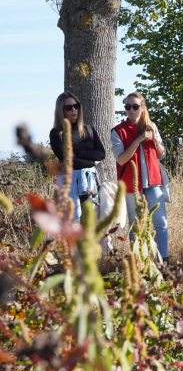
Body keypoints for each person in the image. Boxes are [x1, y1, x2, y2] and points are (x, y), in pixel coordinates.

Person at [111, 92, 169, 262]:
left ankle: (162, 261)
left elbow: (162, 155)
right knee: (136, 227)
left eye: (135, 106)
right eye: (127, 107)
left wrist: (155, 140)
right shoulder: (118, 131)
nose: (131, 110)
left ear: (142, 108)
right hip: (131, 185)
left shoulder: (151, 126)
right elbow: (121, 159)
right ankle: (138, 264)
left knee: (161, 224)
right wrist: (138, 140)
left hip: (154, 182)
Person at [50, 91, 105, 221]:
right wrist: (93, 162)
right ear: (61, 110)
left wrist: (78, 153)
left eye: (76, 106)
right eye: (68, 107)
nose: (73, 110)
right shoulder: (57, 133)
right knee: (71, 222)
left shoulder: (88, 129)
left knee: (91, 220)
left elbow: (101, 154)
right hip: (69, 182)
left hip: (89, 181)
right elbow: (69, 161)